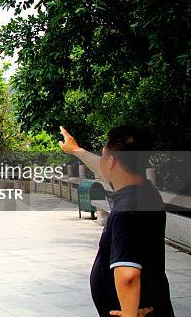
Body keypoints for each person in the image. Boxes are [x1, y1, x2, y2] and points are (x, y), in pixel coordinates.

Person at [58, 125, 174, 317]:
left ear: (112, 162)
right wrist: (76, 150)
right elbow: (103, 168)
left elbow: (128, 275)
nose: (101, 161)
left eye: (103, 156)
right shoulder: (146, 192)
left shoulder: (126, 211)